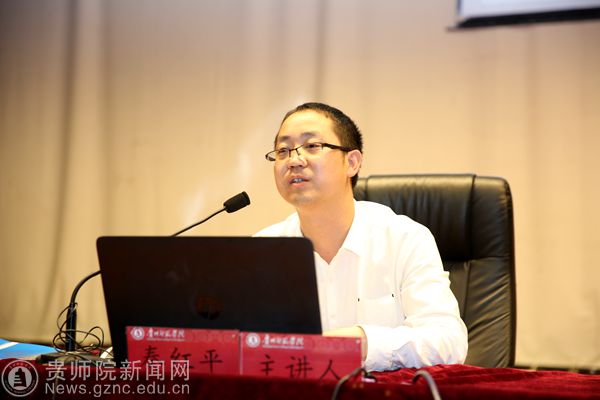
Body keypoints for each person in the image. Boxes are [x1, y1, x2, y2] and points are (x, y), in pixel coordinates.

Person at [255, 102, 468, 372]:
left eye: (312, 146)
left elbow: (448, 342)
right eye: (283, 151)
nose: (294, 160)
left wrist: (361, 341)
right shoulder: (262, 250)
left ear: (352, 162)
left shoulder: (405, 239)